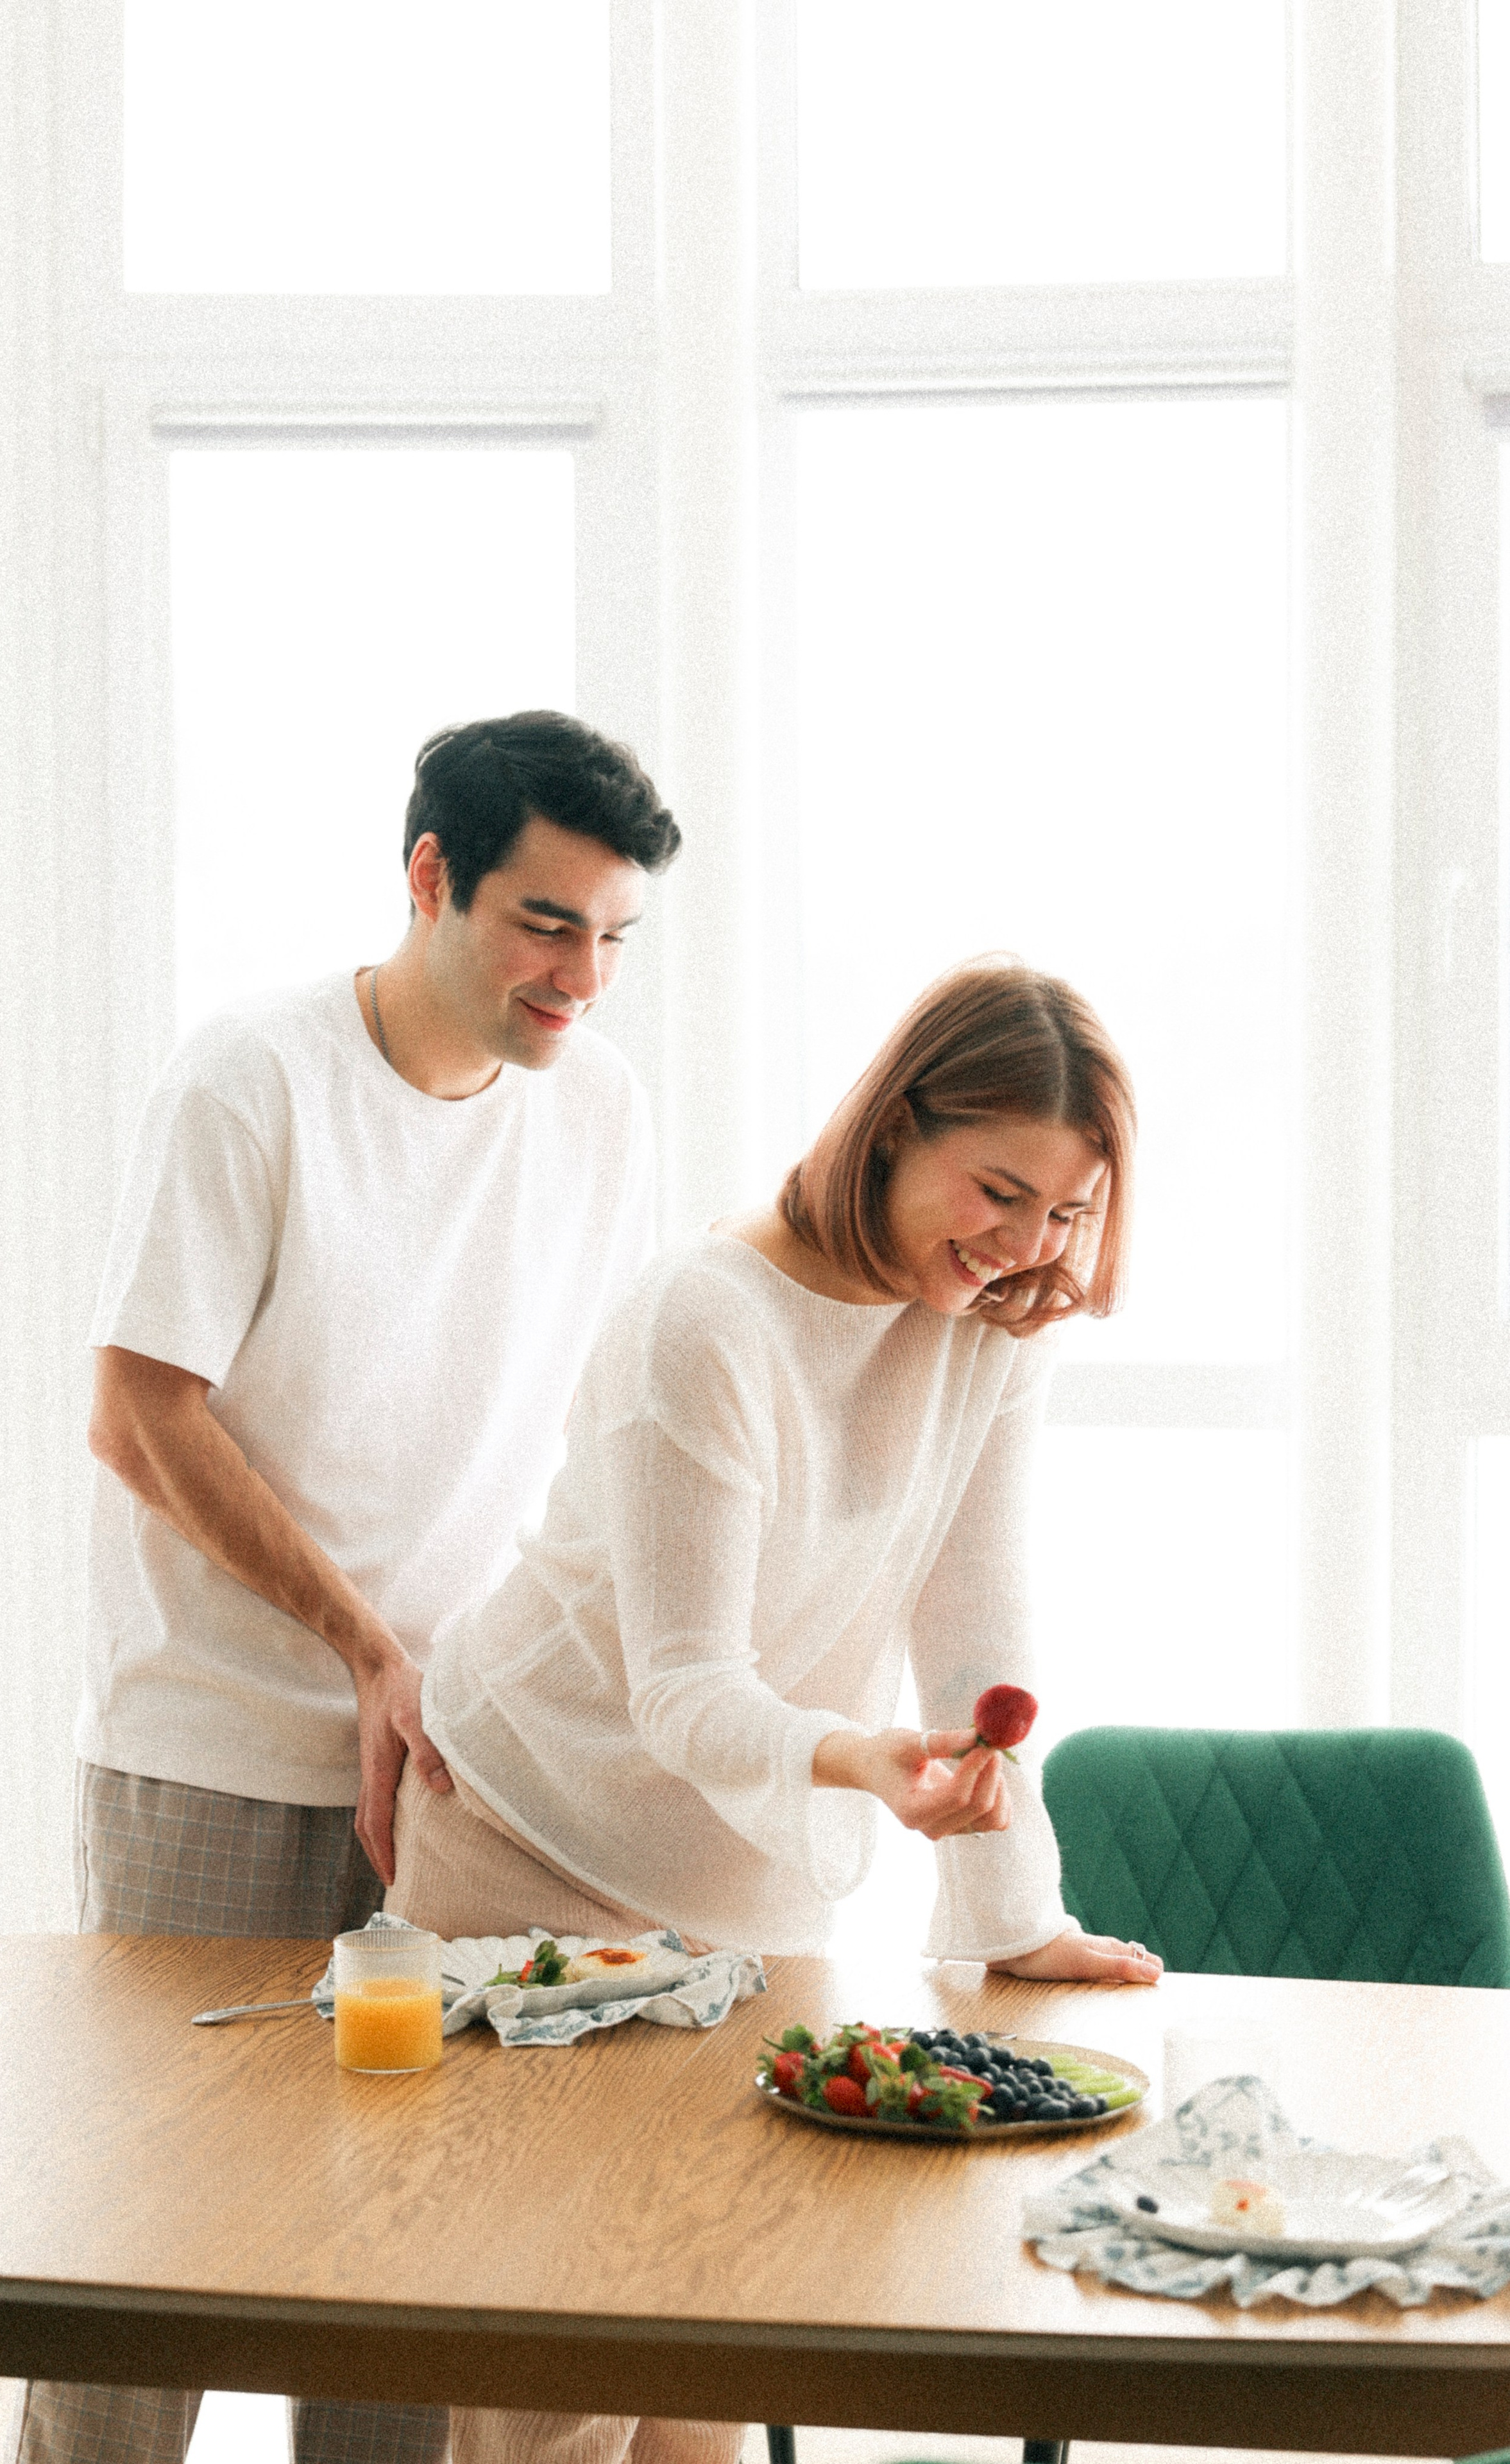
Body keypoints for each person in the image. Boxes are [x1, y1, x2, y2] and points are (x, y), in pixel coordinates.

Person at [384, 957, 1164, 2464]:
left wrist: (1011, 1916)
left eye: (1067, 1213)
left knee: (712, 2359)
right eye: (997, 1192)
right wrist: (858, 1761)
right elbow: (682, 1688)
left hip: (745, 1883)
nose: (1024, 1247)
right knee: (556, 2390)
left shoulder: (990, 1325)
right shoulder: (705, 1317)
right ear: (894, 1127)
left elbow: (973, 1625)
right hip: (536, 1840)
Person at [11, 712, 681, 2464]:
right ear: (429, 876)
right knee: (145, 2269)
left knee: (399, 2262)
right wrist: (366, 1645)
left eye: (615, 936)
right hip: (212, 1750)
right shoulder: (252, 1078)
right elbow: (137, 1414)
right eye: (546, 925)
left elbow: (604, 1427)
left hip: (452, 1774)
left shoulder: (601, 1110)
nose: (583, 979)